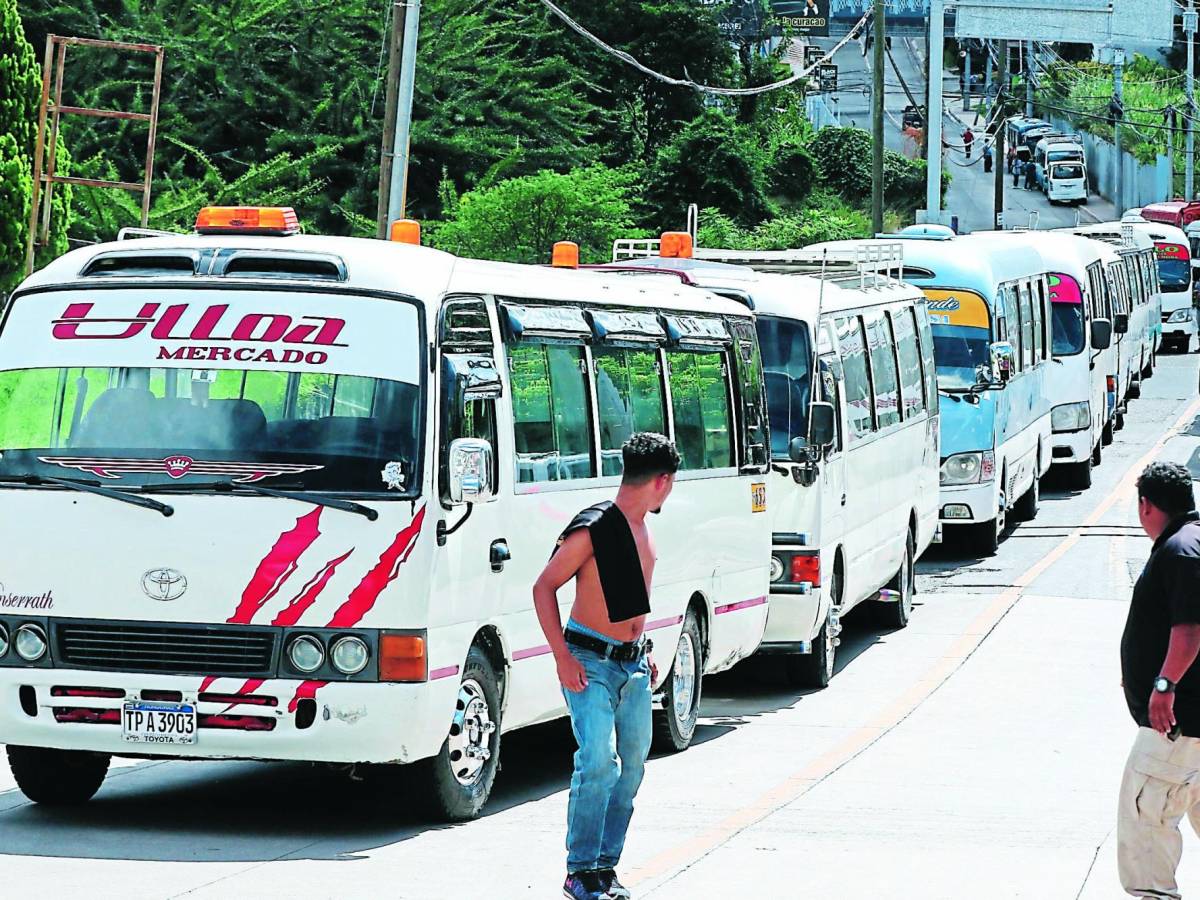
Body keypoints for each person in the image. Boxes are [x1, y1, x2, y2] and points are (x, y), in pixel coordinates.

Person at [533, 432, 679, 900]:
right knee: (598, 761)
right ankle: (579, 870)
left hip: (633, 666)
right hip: (589, 661)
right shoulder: (594, 528)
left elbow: (630, 602)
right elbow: (544, 587)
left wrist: (646, 647)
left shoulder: (643, 528)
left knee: (631, 768)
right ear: (662, 481)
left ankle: (604, 868)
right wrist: (561, 656)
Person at [1118, 462, 1200, 899]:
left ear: (1146, 505)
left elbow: (1189, 630)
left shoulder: (1181, 551)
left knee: (1145, 818)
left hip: (1177, 723)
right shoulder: (1192, 542)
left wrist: (1163, 686)